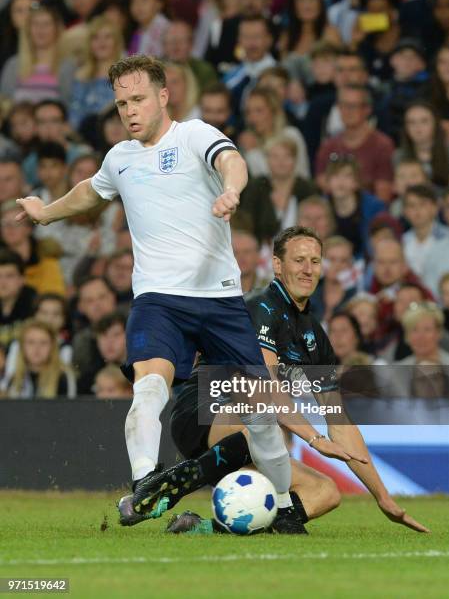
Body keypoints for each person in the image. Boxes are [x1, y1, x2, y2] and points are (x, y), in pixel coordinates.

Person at [16, 54, 301, 531]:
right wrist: (46, 213)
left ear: (163, 96)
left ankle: (286, 506)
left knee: (260, 416)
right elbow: (92, 190)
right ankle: (147, 485)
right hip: (158, 300)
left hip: (220, 300)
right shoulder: (120, 158)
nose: (129, 110)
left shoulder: (193, 135)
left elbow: (233, 161)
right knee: (149, 388)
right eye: (121, 102)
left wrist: (231, 190)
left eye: (138, 99)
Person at [125, 226, 429, 534]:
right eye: (299, 260)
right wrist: (314, 439)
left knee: (325, 493)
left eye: (314, 261)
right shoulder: (258, 308)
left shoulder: (315, 336)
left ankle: (200, 528)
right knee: (259, 412)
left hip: (254, 435)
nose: (308, 269)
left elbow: (339, 422)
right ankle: (177, 482)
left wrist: (383, 497)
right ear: (278, 265)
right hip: (205, 411)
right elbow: (266, 390)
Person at [315, 84, 395, 203]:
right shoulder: (328, 146)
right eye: (343, 106)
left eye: (353, 106)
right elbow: (321, 183)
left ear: (367, 109)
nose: (347, 111)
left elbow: (383, 197)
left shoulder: (383, 146)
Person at [6, 318, 76, 399]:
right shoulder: (15, 379)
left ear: (53, 346)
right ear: (22, 346)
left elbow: (69, 409)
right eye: (31, 342)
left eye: (43, 343)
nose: (37, 348)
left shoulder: (63, 377)